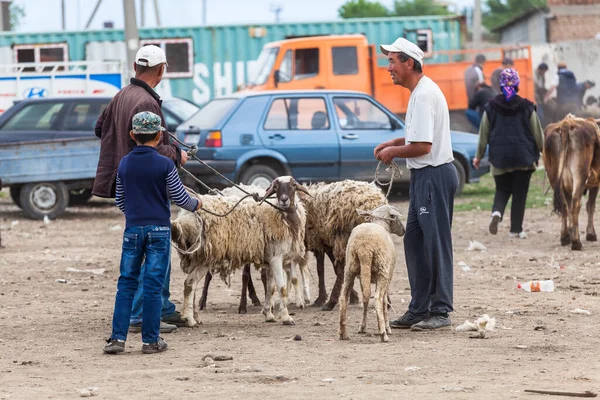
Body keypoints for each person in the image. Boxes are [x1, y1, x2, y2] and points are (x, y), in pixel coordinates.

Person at [94, 45, 189, 332]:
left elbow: (100, 129)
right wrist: (177, 154)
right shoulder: (147, 101)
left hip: (129, 183)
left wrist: (122, 144)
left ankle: (162, 308)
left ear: (136, 66)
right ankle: (140, 316)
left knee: (146, 249)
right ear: (161, 70)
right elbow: (157, 146)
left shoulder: (121, 94)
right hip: (148, 183)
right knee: (155, 251)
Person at [375, 37, 457, 331]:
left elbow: (423, 146)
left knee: (435, 244)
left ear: (409, 62)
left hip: (433, 175)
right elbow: (416, 138)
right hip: (425, 177)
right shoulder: (419, 93)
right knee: (415, 241)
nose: (389, 68)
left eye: (392, 61)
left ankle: (440, 310)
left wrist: (393, 152)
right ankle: (420, 308)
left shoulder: (423, 95)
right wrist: (395, 142)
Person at [103, 111, 201, 354]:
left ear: (132, 135)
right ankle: (150, 341)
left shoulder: (125, 163)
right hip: (159, 230)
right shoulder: (165, 163)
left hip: (133, 230)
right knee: (153, 284)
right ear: (159, 136)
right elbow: (179, 197)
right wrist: (197, 204)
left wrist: (135, 214)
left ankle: (117, 339)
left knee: (126, 282)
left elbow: (120, 199)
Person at [472, 68, 544, 239]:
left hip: (500, 158)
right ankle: (516, 230)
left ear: (500, 86)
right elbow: (537, 133)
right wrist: (544, 151)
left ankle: (497, 212)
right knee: (520, 194)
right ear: (517, 84)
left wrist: (478, 156)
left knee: (502, 190)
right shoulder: (527, 106)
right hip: (524, 158)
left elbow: (483, 135)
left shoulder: (490, 108)